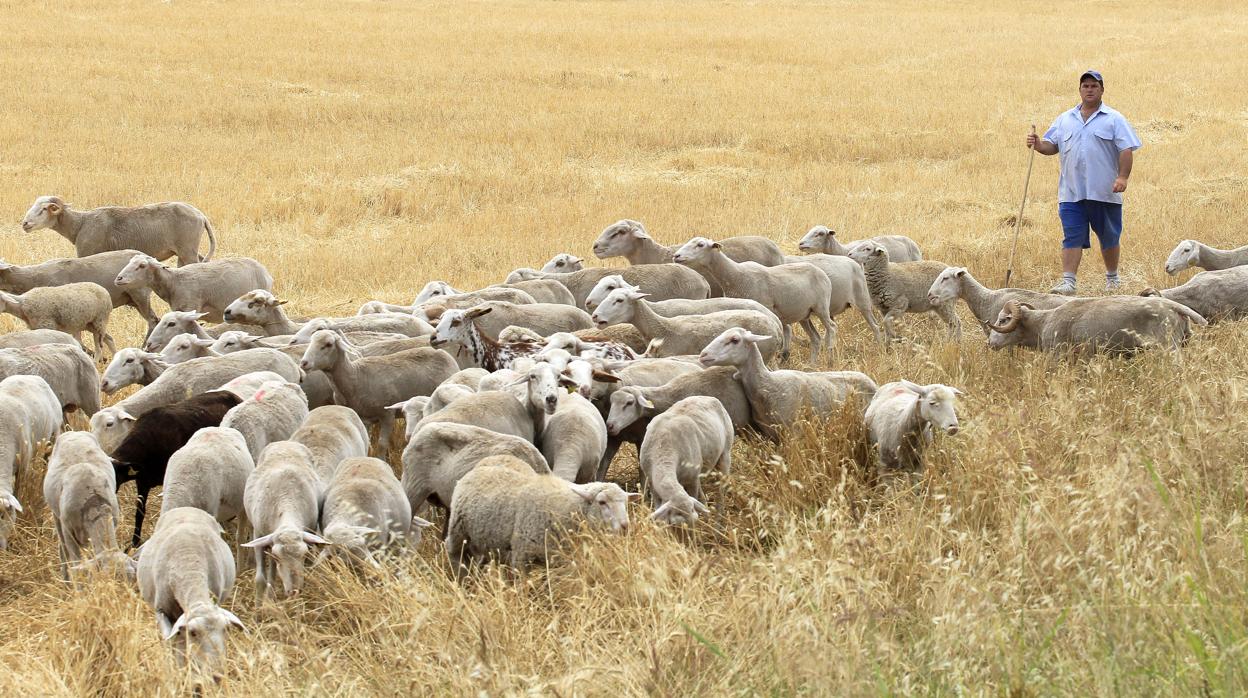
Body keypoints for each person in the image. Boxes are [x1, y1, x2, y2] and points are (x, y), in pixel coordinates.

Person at [1027, 70, 1142, 294]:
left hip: (1104, 191)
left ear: (1102, 90)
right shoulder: (1064, 119)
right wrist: (1039, 144)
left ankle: (1112, 279)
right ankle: (1068, 282)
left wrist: (1122, 177)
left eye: (1094, 86)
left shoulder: (1114, 119)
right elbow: (1052, 146)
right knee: (1072, 235)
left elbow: (1126, 149)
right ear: (1080, 90)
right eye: (1085, 86)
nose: (1089, 90)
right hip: (1071, 192)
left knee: (1109, 236)